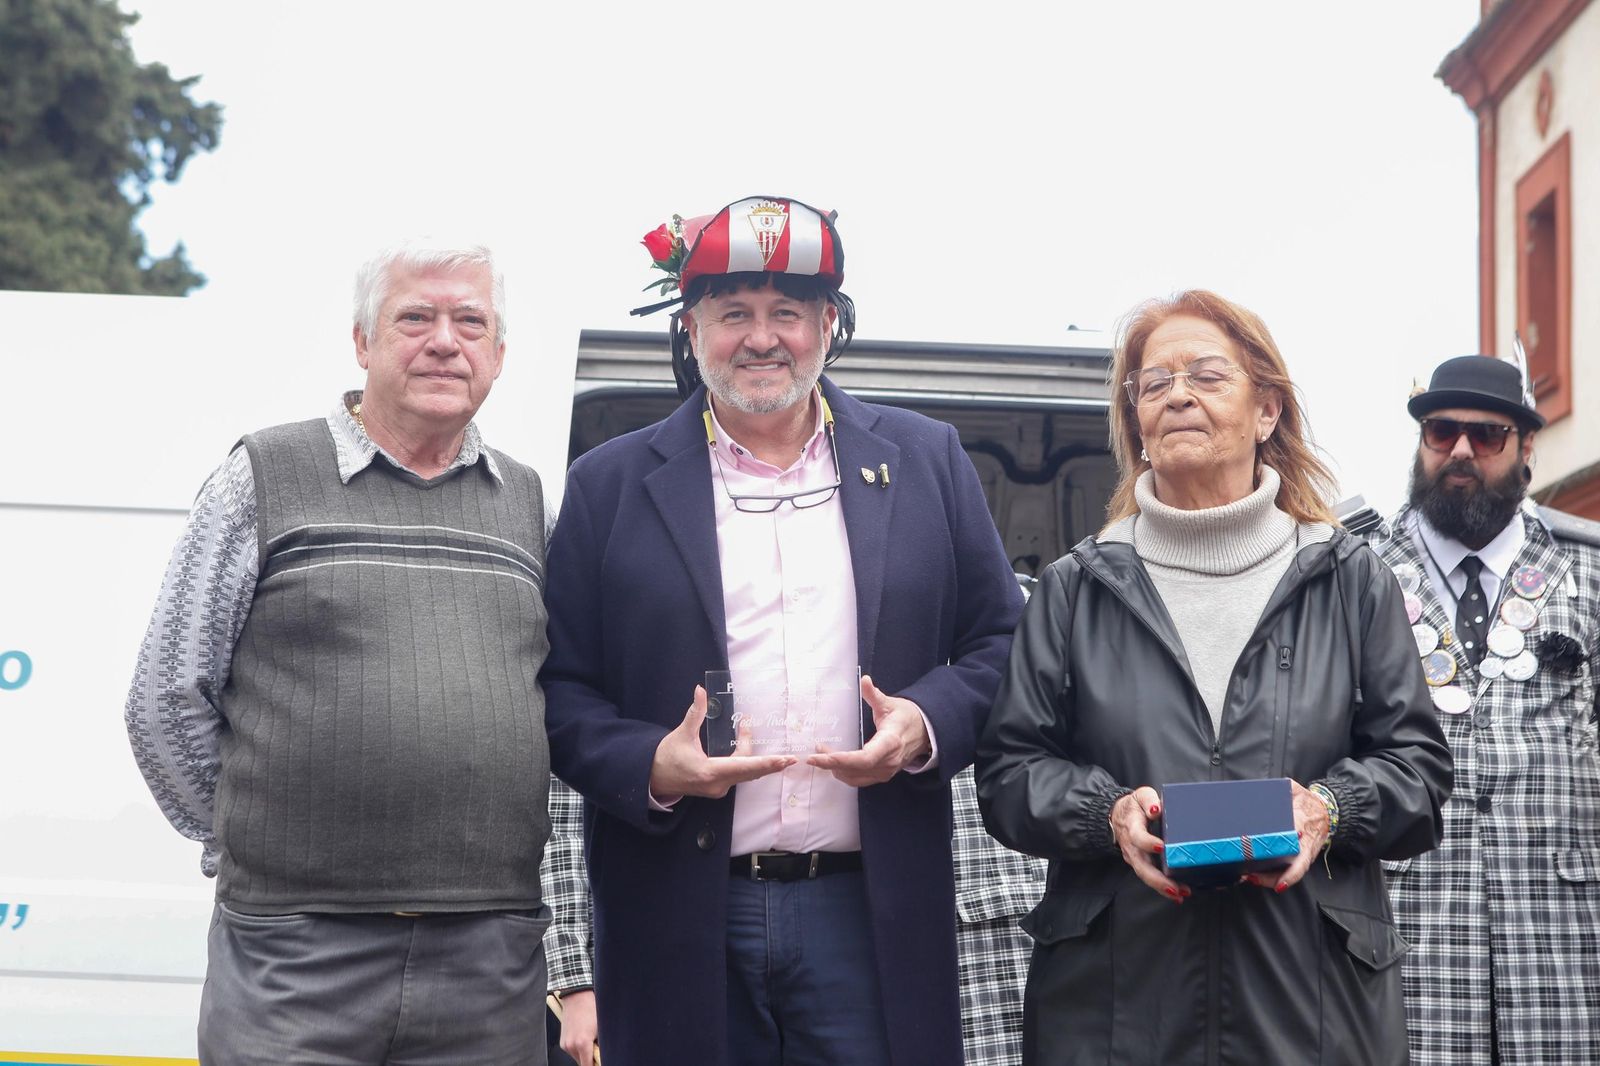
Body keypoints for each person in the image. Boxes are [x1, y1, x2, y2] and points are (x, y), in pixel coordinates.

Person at [540, 196, 1022, 1066]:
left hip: (868, 909)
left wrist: (923, 723)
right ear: (691, 328)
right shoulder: (607, 485)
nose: (761, 339)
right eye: (734, 313)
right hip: (678, 912)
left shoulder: (927, 460)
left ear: (828, 325)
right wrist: (650, 764)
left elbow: (1003, 644)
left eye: (787, 312)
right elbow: (559, 689)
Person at [976, 289, 1453, 1065]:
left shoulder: (1349, 578)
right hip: (1114, 1016)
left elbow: (1420, 771)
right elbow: (1008, 772)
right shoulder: (1075, 588)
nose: (1178, 396)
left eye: (1205, 375)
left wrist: (1329, 808)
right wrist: (1106, 813)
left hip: (1313, 1014)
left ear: (1266, 411)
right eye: (1154, 384)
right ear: (1136, 420)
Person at [124, 239, 555, 1065]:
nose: (445, 342)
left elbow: (552, 715)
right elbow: (167, 697)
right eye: (415, 318)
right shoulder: (262, 476)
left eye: (470, 323)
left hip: (488, 961)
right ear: (363, 341)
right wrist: (249, 841)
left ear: (499, 354)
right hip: (294, 956)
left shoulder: (528, 504)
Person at [1368, 354, 1600, 1066]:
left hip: (1565, 939)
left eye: (1487, 435)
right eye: (1441, 432)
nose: (1461, 450)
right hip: (1409, 934)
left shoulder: (1588, 568)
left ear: (1527, 448)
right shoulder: (1356, 570)